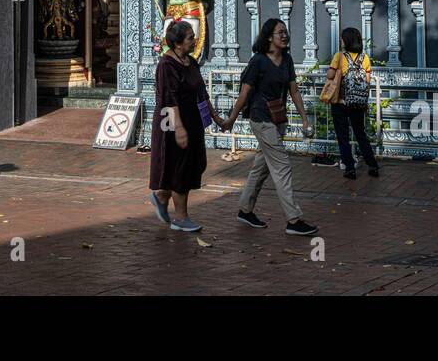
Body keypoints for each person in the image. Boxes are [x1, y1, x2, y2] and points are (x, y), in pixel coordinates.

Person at [220, 19, 319, 236]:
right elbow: (244, 94)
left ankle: (245, 210)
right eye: (280, 33)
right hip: (261, 119)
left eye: (285, 32)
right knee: (282, 166)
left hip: (278, 119)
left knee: (261, 167)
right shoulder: (258, 62)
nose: (285, 36)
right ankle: (294, 219)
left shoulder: (287, 59)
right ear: (268, 37)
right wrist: (231, 120)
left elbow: (293, 91)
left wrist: (304, 118)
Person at [149, 21, 224, 233]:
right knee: (179, 167)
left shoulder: (190, 62)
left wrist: (216, 118)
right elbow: (169, 98)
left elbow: (202, 93)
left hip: (193, 121)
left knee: (194, 164)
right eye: (190, 37)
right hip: (172, 123)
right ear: (178, 43)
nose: (195, 40)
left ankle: (161, 196)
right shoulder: (166, 65)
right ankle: (181, 217)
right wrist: (179, 129)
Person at [324, 27, 379, 180]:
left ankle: (349, 169)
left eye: (342, 38)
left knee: (343, 136)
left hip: (340, 102)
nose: (340, 41)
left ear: (346, 40)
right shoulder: (365, 58)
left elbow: (330, 74)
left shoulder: (339, 57)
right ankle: (372, 165)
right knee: (361, 134)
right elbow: (367, 81)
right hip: (358, 102)